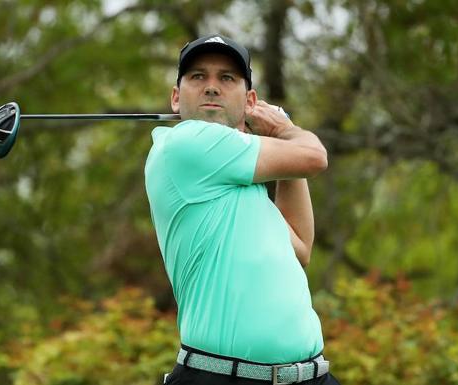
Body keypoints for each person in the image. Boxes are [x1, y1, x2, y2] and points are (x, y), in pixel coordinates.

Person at [144, 34, 341, 385]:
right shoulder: (185, 144)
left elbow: (299, 247)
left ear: (249, 99)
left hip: (311, 376)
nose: (211, 87)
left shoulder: (242, 185)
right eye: (198, 77)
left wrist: (281, 140)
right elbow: (313, 157)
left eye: (227, 78)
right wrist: (285, 128)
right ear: (176, 98)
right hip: (220, 376)